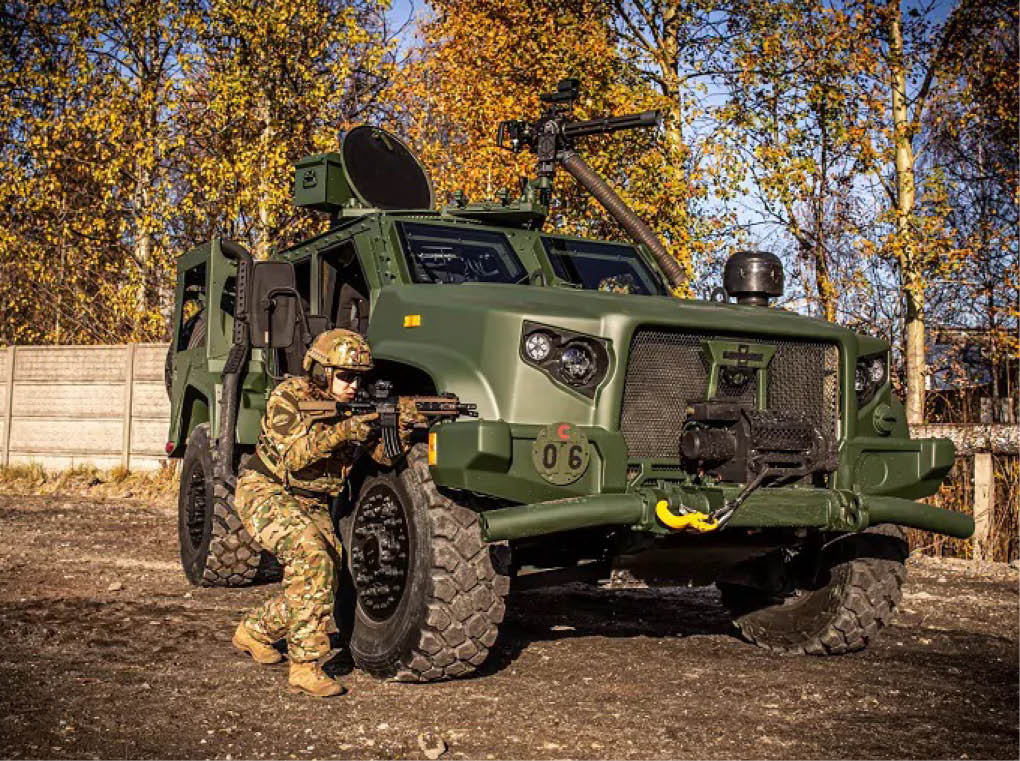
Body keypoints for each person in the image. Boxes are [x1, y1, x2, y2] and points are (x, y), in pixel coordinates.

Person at [230, 329, 422, 697]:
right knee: (311, 557)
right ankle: (305, 667)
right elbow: (294, 456)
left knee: (326, 579)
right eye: (345, 376)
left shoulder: (357, 405)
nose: (353, 386)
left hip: (313, 501)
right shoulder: (289, 397)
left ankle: (255, 630)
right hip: (266, 488)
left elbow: (382, 459)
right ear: (320, 371)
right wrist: (345, 431)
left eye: (359, 378)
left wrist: (397, 428)